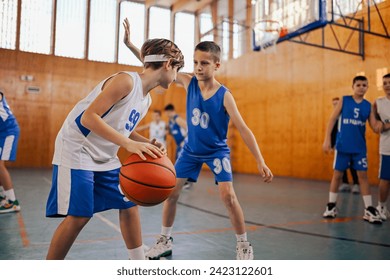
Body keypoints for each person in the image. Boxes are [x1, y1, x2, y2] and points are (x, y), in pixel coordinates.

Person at [124, 19, 273, 260]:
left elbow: (244, 129)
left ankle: (243, 245)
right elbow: (155, 64)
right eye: (195, 62)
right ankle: (165, 240)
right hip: (190, 151)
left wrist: (260, 160)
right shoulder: (188, 82)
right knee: (171, 194)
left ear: (216, 65)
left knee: (228, 196)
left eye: (204, 63)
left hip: (217, 152)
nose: (198, 67)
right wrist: (131, 45)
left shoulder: (225, 96)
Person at [45, 37, 184, 259]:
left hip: (105, 155)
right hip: (77, 149)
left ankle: (138, 262)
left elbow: (122, 128)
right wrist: (129, 144)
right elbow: (89, 118)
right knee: (80, 216)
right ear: (168, 64)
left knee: (128, 204)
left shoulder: (145, 99)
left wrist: (146, 142)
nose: (176, 77)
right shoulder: (126, 81)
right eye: (177, 70)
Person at [322, 75, 382, 224]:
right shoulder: (345, 100)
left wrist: (384, 124)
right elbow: (332, 119)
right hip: (343, 146)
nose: (361, 87)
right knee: (337, 175)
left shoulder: (368, 106)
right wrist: (327, 139)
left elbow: (375, 127)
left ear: (367, 87)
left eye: (364, 85)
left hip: (359, 148)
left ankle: (368, 209)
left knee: (363, 177)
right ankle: (331, 206)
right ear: (353, 86)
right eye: (358, 85)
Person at [330, 97, 360, 194]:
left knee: (352, 165)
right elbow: (333, 132)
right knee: (340, 166)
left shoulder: (347, 116)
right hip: (339, 145)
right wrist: (332, 145)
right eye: (334, 104)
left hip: (350, 144)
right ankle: (345, 183)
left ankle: (356, 184)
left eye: (337, 103)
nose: (336, 105)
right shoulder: (334, 118)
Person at [372, 73, 390, 221]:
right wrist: (384, 125)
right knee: (385, 178)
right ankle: (381, 206)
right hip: (387, 148)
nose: (387, 85)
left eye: (389, 82)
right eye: (385, 83)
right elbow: (376, 127)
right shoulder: (378, 103)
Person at [0, 91, 21, 214]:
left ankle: (12, 202)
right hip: (2, 132)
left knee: (0, 165)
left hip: (8, 132)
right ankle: (3, 196)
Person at [163, 104, 192, 190]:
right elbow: (174, 132)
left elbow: (189, 129)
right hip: (179, 145)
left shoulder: (177, 119)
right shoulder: (170, 121)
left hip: (184, 144)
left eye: (168, 112)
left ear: (171, 111)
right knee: (178, 162)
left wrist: (185, 141)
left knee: (181, 164)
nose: (167, 114)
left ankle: (186, 182)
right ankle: (183, 182)